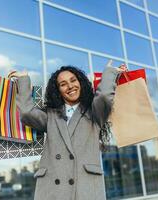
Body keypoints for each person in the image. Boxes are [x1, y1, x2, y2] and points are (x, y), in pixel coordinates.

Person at [8, 60, 126, 200]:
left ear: (80, 82)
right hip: (53, 189)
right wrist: (23, 80)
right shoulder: (51, 115)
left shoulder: (95, 112)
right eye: (63, 84)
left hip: (85, 187)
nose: (70, 86)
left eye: (73, 80)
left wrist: (109, 73)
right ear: (58, 90)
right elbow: (27, 113)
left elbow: (105, 97)